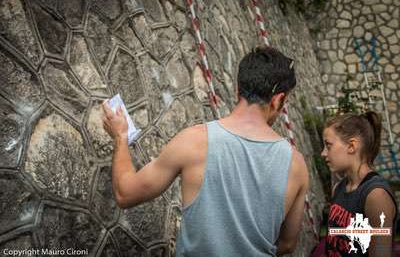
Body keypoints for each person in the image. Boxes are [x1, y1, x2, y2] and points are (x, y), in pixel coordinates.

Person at [102, 46, 309, 256]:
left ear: (239, 89)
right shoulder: (297, 165)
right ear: (277, 100)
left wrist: (120, 136)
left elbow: (125, 193)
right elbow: (287, 244)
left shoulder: (194, 141)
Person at [322, 112, 397, 257]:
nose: (323, 153)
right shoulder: (338, 189)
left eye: (328, 145)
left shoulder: (376, 196)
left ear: (351, 146)